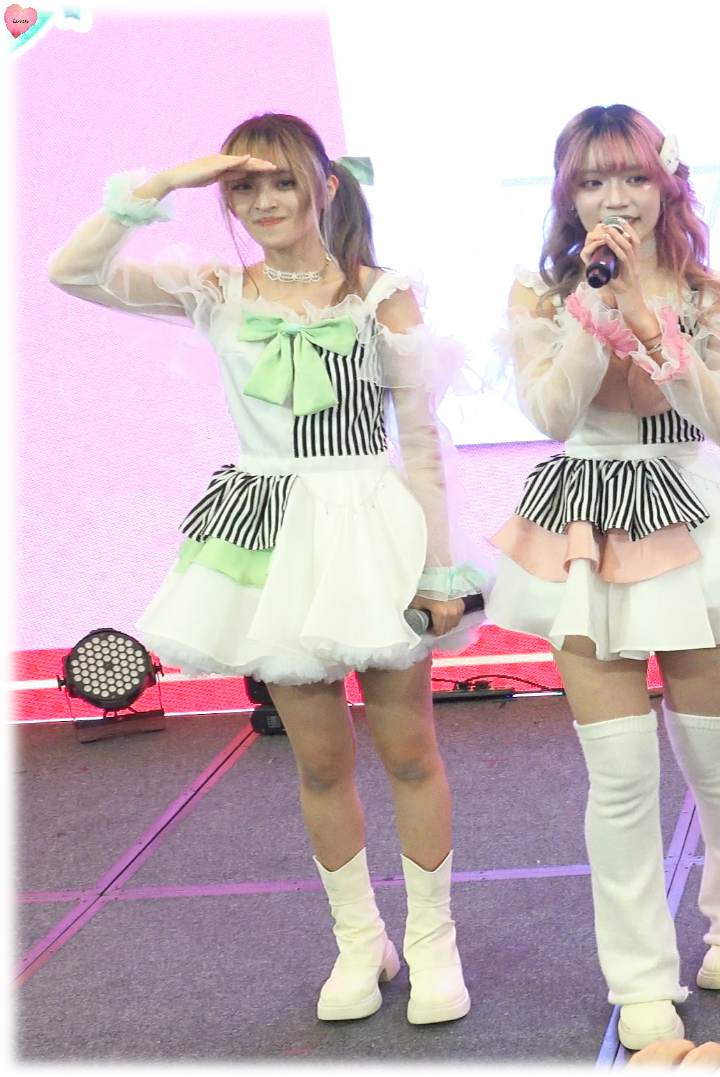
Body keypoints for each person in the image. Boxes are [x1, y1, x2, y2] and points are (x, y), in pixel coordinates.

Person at [48, 113, 483, 1024]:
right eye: (243, 186)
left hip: (373, 528)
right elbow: (73, 272)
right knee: (319, 760)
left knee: (410, 751)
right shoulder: (215, 288)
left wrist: (441, 572)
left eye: (282, 181)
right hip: (275, 535)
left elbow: (422, 442)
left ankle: (435, 942)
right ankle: (360, 942)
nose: (263, 201)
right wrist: (161, 183)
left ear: (325, 185)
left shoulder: (381, 294)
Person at [490, 104, 720, 1048]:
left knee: (712, 750)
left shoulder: (714, 292)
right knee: (618, 772)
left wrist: (650, 318)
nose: (616, 197)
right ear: (568, 195)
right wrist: (597, 313)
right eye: (594, 180)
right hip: (586, 525)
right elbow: (551, 414)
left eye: (633, 176)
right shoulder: (541, 295)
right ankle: (639, 975)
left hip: (692, 514)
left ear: (667, 184)